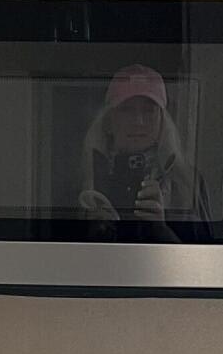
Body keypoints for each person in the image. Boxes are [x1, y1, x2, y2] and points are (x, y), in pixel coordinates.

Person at [78, 65, 212, 241]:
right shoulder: (85, 179)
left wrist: (159, 228)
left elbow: (204, 253)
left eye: (149, 110)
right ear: (109, 120)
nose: (139, 121)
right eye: (127, 109)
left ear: (162, 121)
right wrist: (96, 229)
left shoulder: (187, 183)